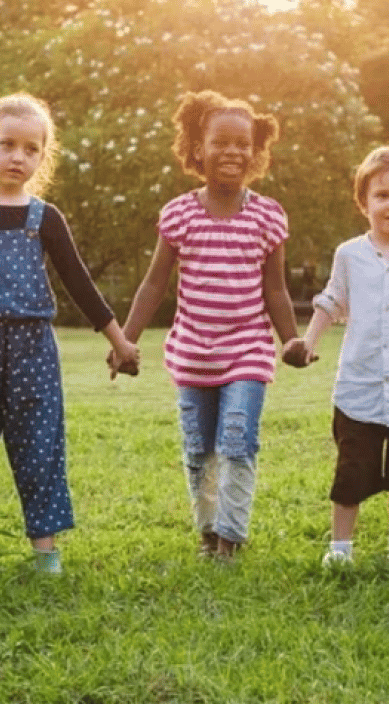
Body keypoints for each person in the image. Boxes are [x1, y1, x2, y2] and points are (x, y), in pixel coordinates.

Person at [0, 93, 139, 577]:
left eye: (32, 148)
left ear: (43, 156)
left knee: (39, 448)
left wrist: (119, 341)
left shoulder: (46, 218)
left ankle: (45, 551)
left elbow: (80, 283)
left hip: (34, 349)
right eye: (7, 144)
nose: (19, 156)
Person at [118, 90, 304, 561]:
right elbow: (153, 285)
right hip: (193, 353)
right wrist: (125, 340)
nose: (233, 152)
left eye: (243, 144)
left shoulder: (268, 215)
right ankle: (207, 532)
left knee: (238, 439)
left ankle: (231, 539)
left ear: (255, 151)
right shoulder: (180, 214)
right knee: (200, 449)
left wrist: (293, 340)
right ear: (197, 148)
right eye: (221, 142)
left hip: (248, 349)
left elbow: (276, 291)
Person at [284, 146, 389, 567]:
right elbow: (330, 302)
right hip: (359, 388)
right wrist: (308, 343)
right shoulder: (349, 255)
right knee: (352, 471)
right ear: (364, 203)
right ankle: (340, 549)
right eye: (382, 195)